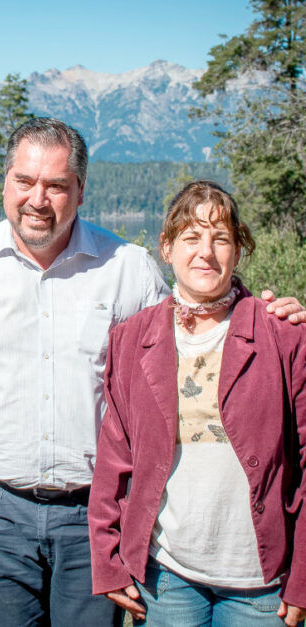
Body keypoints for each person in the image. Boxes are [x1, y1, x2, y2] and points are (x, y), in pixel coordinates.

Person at [0, 118, 306, 626]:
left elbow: (194, 320)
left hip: (95, 513)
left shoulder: (128, 268)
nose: (38, 199)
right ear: (5, 182)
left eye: (56, 185)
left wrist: (265, 315)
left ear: (80, 191)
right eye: (24, 181)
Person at [88, 181, 306, 626]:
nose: (206, 252)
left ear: (238, 251)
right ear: (166, 248)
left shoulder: (284, 336)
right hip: (166, 576)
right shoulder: (131, 339)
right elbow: (114, 458)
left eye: (220, 238)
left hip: (262, 583)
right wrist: (107, 560)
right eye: (191, 237)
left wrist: (303, 577)